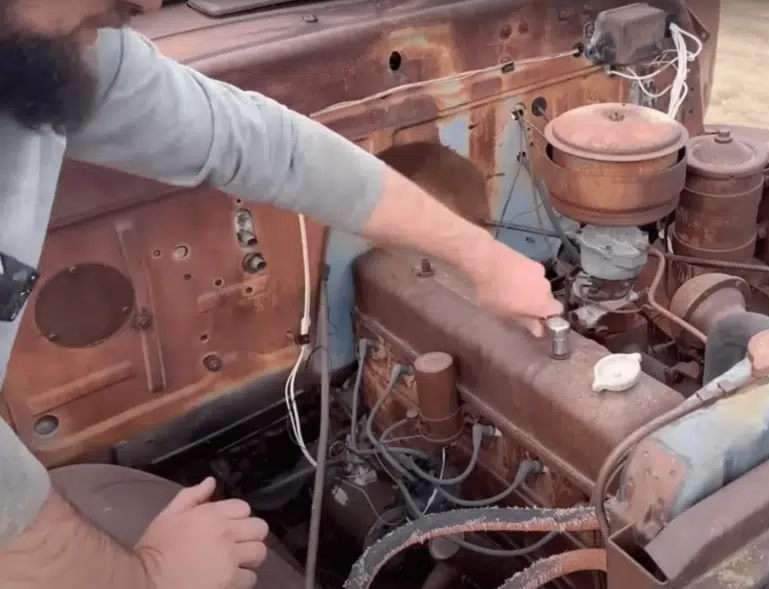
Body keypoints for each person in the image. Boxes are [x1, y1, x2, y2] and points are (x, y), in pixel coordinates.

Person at [0, 0, 564, 588]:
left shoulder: (64, 40)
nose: (146, 4)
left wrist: (486, 261)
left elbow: (264, 144)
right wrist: (148, 578)